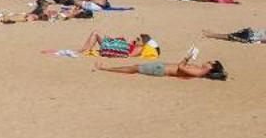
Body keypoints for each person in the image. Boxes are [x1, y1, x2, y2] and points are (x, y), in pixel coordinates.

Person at [95, 52, 226, 80]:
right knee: (136, 67)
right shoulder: (199, 71)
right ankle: (107, 68)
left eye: (209, 62)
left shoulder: (199, 72)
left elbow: (181, 68)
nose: (206, 61)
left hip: (161, 70)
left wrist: (186, 57)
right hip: (162, 68)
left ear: (211, 66)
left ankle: (106, 68)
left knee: (135, 68)